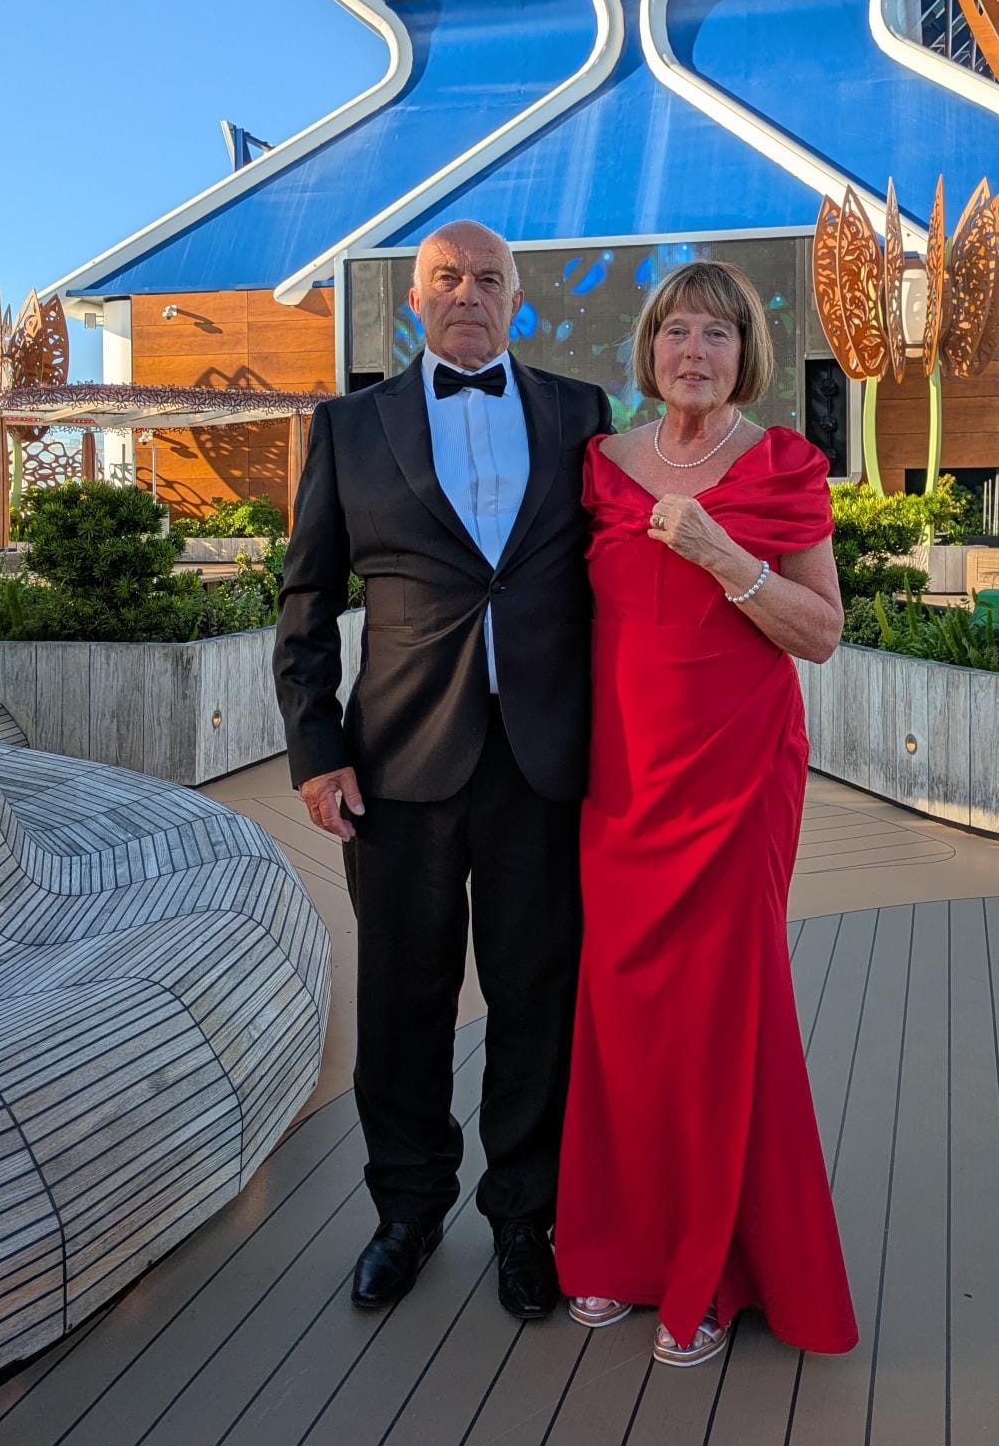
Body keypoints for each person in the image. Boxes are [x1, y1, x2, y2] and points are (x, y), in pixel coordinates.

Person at [273, 221, 611, 1321]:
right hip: (400, 764)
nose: (469, 294)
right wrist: (316, 754)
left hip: (544, 764)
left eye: (489, 280)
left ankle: (526, 1217)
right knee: (405, 1003)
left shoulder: (579, 417)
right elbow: (306, 606)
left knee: (535, 998)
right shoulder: (349, 426)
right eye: (447, 280)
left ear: (518, 298)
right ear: (414, 301)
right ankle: (407, 1211)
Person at [553, 260, 858, 1367]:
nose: (694, 351)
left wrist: (727, 557)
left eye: (717, 335)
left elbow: (820, 632)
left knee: (722, 1015)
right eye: (676, 331)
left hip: (738, 780)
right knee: (623, 1011)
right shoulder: (596, 467)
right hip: (622, 782)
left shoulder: (786, 466)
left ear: (746, 356)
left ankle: (715, 1268)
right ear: (648, 349)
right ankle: (619, 1247)